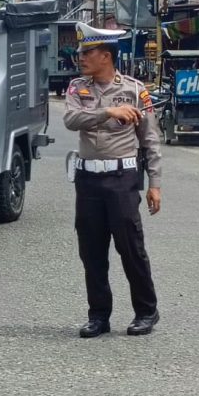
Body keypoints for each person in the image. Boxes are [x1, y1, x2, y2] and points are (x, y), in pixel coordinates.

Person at [64, 22, 163, 339]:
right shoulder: (77, 88)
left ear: (105, 55)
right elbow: (70, 119)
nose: (81, 57)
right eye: (81, 52)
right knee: (91, 251)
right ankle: (98, 316)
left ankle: (146, 311)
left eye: (87, 52)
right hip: (88, 180)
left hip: (122, 179)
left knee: (130, 247)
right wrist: (109, 111)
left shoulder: (135, 90)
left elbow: (151, 141)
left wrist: (155, 184)